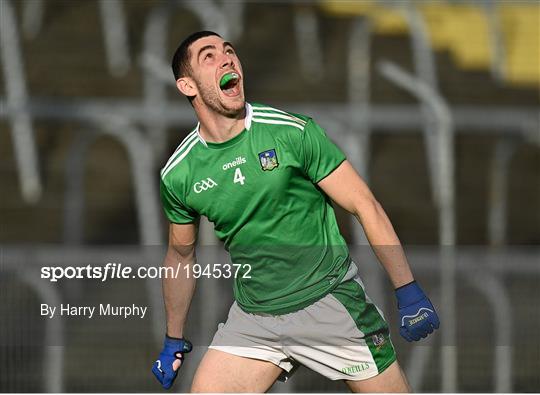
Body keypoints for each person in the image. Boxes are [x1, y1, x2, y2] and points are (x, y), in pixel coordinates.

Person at [151, 30, 439, 393]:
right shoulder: (179, 172)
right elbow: (180, 254)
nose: (226, 59)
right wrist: (173, 338)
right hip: (255, 319)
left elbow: (364, 205)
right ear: (187, 85)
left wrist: (407, 288)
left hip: (330, 304)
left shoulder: (291, 132)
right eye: (208, 56)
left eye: (229, 51)